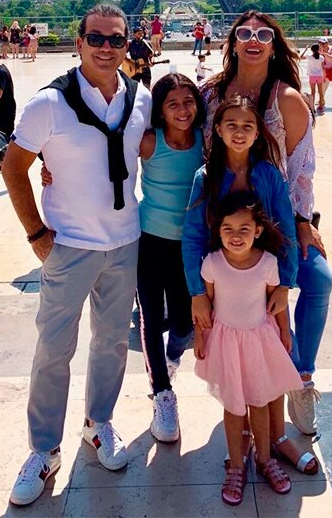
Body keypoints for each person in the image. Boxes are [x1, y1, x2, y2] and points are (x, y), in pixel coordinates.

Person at [2, 4, 151, 507]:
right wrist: (36, 235)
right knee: (53, 351)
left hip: (125, 240)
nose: (107, 47)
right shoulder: (48, 104)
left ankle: (98, 423)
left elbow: (162, 147)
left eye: (117, 40)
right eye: (97, 38)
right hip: (68, 245)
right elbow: (13, 166)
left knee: (110, 343)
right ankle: (43, 449)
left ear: (130, 43)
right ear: (79, 42)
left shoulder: (142, 98)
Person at [198, 10, 332, 465]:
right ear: (231, 40)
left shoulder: (289, 99)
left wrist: (303, 220)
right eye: (244, 33)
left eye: (263, 34)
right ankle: (264, 405)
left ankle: (301, 376)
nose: (253, 40)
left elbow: (301, 171)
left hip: (277, 220)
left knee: (317, 280)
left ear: (274, 44)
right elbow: (173, 139)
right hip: (228, 230)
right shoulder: (209, 95)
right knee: (252, 306)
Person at [194, 193, 306, 506]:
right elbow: (206, 305)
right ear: (218, 231)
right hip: (227, 343)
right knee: (233, 406)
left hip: (259, 341)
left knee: (259, 401)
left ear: (258, 230)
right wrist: (201, 337)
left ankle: (265, 458)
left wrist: (284, 330)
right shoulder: (212, 263)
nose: (236, 236)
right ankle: (235, 465)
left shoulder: (268, 263)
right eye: (228, 229)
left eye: (244, 229)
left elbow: (277, 302)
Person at [136, 73, 204, 442]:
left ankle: (171, 357)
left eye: (188, 102)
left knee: (183, 325)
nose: (182, 110)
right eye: (172, 104)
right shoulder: (150, 142)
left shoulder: (204, 143)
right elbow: (106, 160)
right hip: (150, 240)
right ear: (159, 111)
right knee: (150, 315)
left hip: (189, 245)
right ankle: (162, 393)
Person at [302, 44, 326, 112]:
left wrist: (305, 50)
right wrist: (324, 77)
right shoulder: (321, 57)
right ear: (318, 49)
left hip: (312, 76)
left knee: (313, 92)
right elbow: (323, 68)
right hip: (319, 76)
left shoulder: (309, 57)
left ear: (311, 50)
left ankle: (312, 107)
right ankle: (321, 106)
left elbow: (300, 57)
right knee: (320, 92)